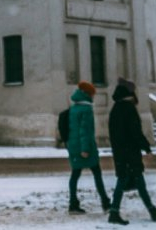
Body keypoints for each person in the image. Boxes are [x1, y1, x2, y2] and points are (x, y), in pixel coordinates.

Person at [107, 78, 156, 225]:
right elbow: (135, 131)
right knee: (125, 181)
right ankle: (114, 213)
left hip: (121, 152)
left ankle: (151, 210)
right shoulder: (128, 108)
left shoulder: (115, 108)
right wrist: (146, 147)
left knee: (136, 182)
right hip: (130, 152)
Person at [66, 81, 110, 214]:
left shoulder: (73, 108)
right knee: (97, 173)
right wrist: (85, 149)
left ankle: (73, 204)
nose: (93, 97)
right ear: (87, 94)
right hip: (85, 148)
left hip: (73, 146)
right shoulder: (86, 110)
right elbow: (84, 131)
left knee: (75, 175)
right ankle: (106, 203)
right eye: (92, 94)